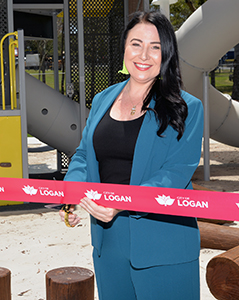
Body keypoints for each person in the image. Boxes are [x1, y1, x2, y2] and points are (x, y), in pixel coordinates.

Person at [59, 11, 204, 300]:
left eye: (156, 47)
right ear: (124, 47)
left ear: (167, 55)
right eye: (136, 43)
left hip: (163, 242)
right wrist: (72, 196)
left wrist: (119, 202)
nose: (144, 55)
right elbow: (85, 154)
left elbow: (175, 173)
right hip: (107, 242)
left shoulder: (187, 107)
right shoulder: (103, 98)